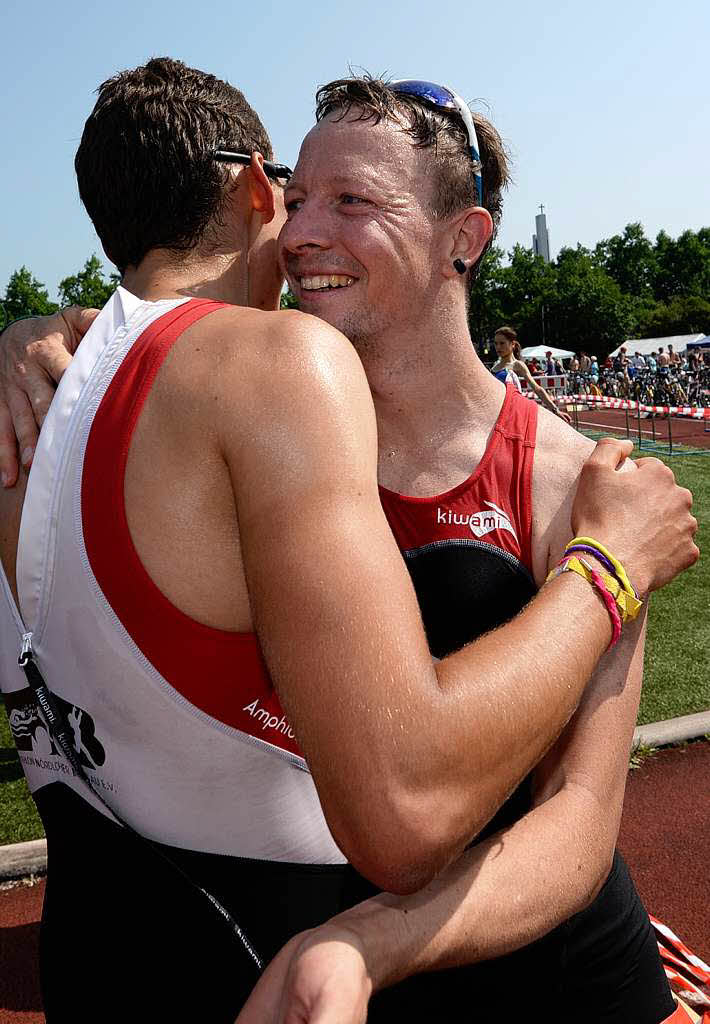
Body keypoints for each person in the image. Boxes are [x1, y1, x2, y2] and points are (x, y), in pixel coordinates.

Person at [0, 68, 698, 1024]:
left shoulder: (578, 483)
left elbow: (577, 825)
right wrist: (37, 337)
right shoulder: (269, 433)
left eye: (352, 201)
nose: (299, 231)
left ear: (466, 238)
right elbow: (136, 343)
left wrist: (370, 941)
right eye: (296, 199)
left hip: (558, 987)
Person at [491, 326, 571, 422]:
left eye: (502, 343)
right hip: (495, 414)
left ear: (512, 344)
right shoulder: (494, 368)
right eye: (496, 344)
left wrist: (556, 410)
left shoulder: (518, 365)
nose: (498, 347)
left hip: (512, 416)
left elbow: (537, 388)